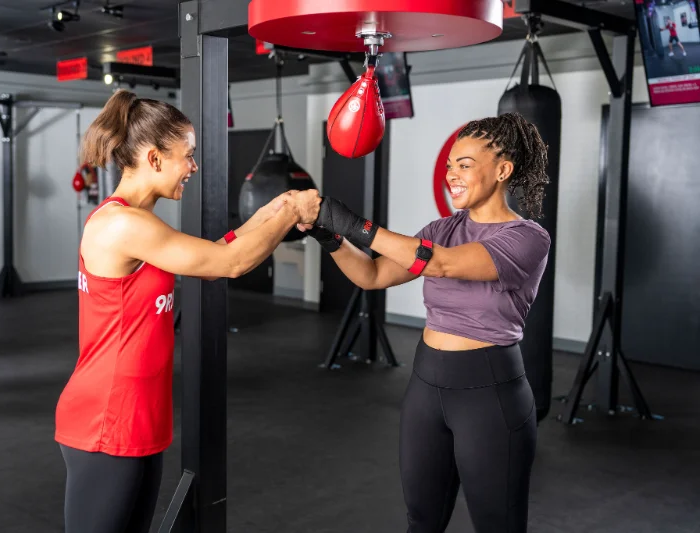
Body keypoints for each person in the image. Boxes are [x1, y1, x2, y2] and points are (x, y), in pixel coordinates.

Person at [54, 89, 321, 533]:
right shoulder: (122, 225)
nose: (193, 168)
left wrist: (272, 212)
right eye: (188, 156)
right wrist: (291, 211)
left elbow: (213, 255)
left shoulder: (142, 224)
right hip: (106, 418)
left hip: (138, 417)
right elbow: (231, 264)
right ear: (155, 159)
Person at [299, 112, 551, 533]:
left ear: (503, 170)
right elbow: (373, 275)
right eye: (451, 165)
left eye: (465, 165)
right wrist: (330, 236)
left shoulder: (526, 237)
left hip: (489, 393)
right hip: (426, 386)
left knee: (498, 524)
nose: (452, 174)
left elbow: (444, 265)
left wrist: (348, 220)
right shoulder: (441, 229)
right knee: (422, 520)